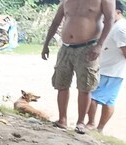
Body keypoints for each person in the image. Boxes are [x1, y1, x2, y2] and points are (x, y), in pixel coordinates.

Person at [42, 0, 116, 134]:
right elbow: (56, 21)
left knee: (85, 86)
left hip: (88, 46)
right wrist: (46, 44)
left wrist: (99, 45)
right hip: (66, 46)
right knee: (61, 84)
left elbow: (110, 20)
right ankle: (62, 119)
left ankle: (81, 122)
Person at [87, 0, 126, 133]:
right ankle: (98, 128)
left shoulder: (121, 28)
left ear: (118, 12)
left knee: (92, 96)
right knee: (108, 100)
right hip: (109, 69)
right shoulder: (115, 26)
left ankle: (92, 124)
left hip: (110, 70)